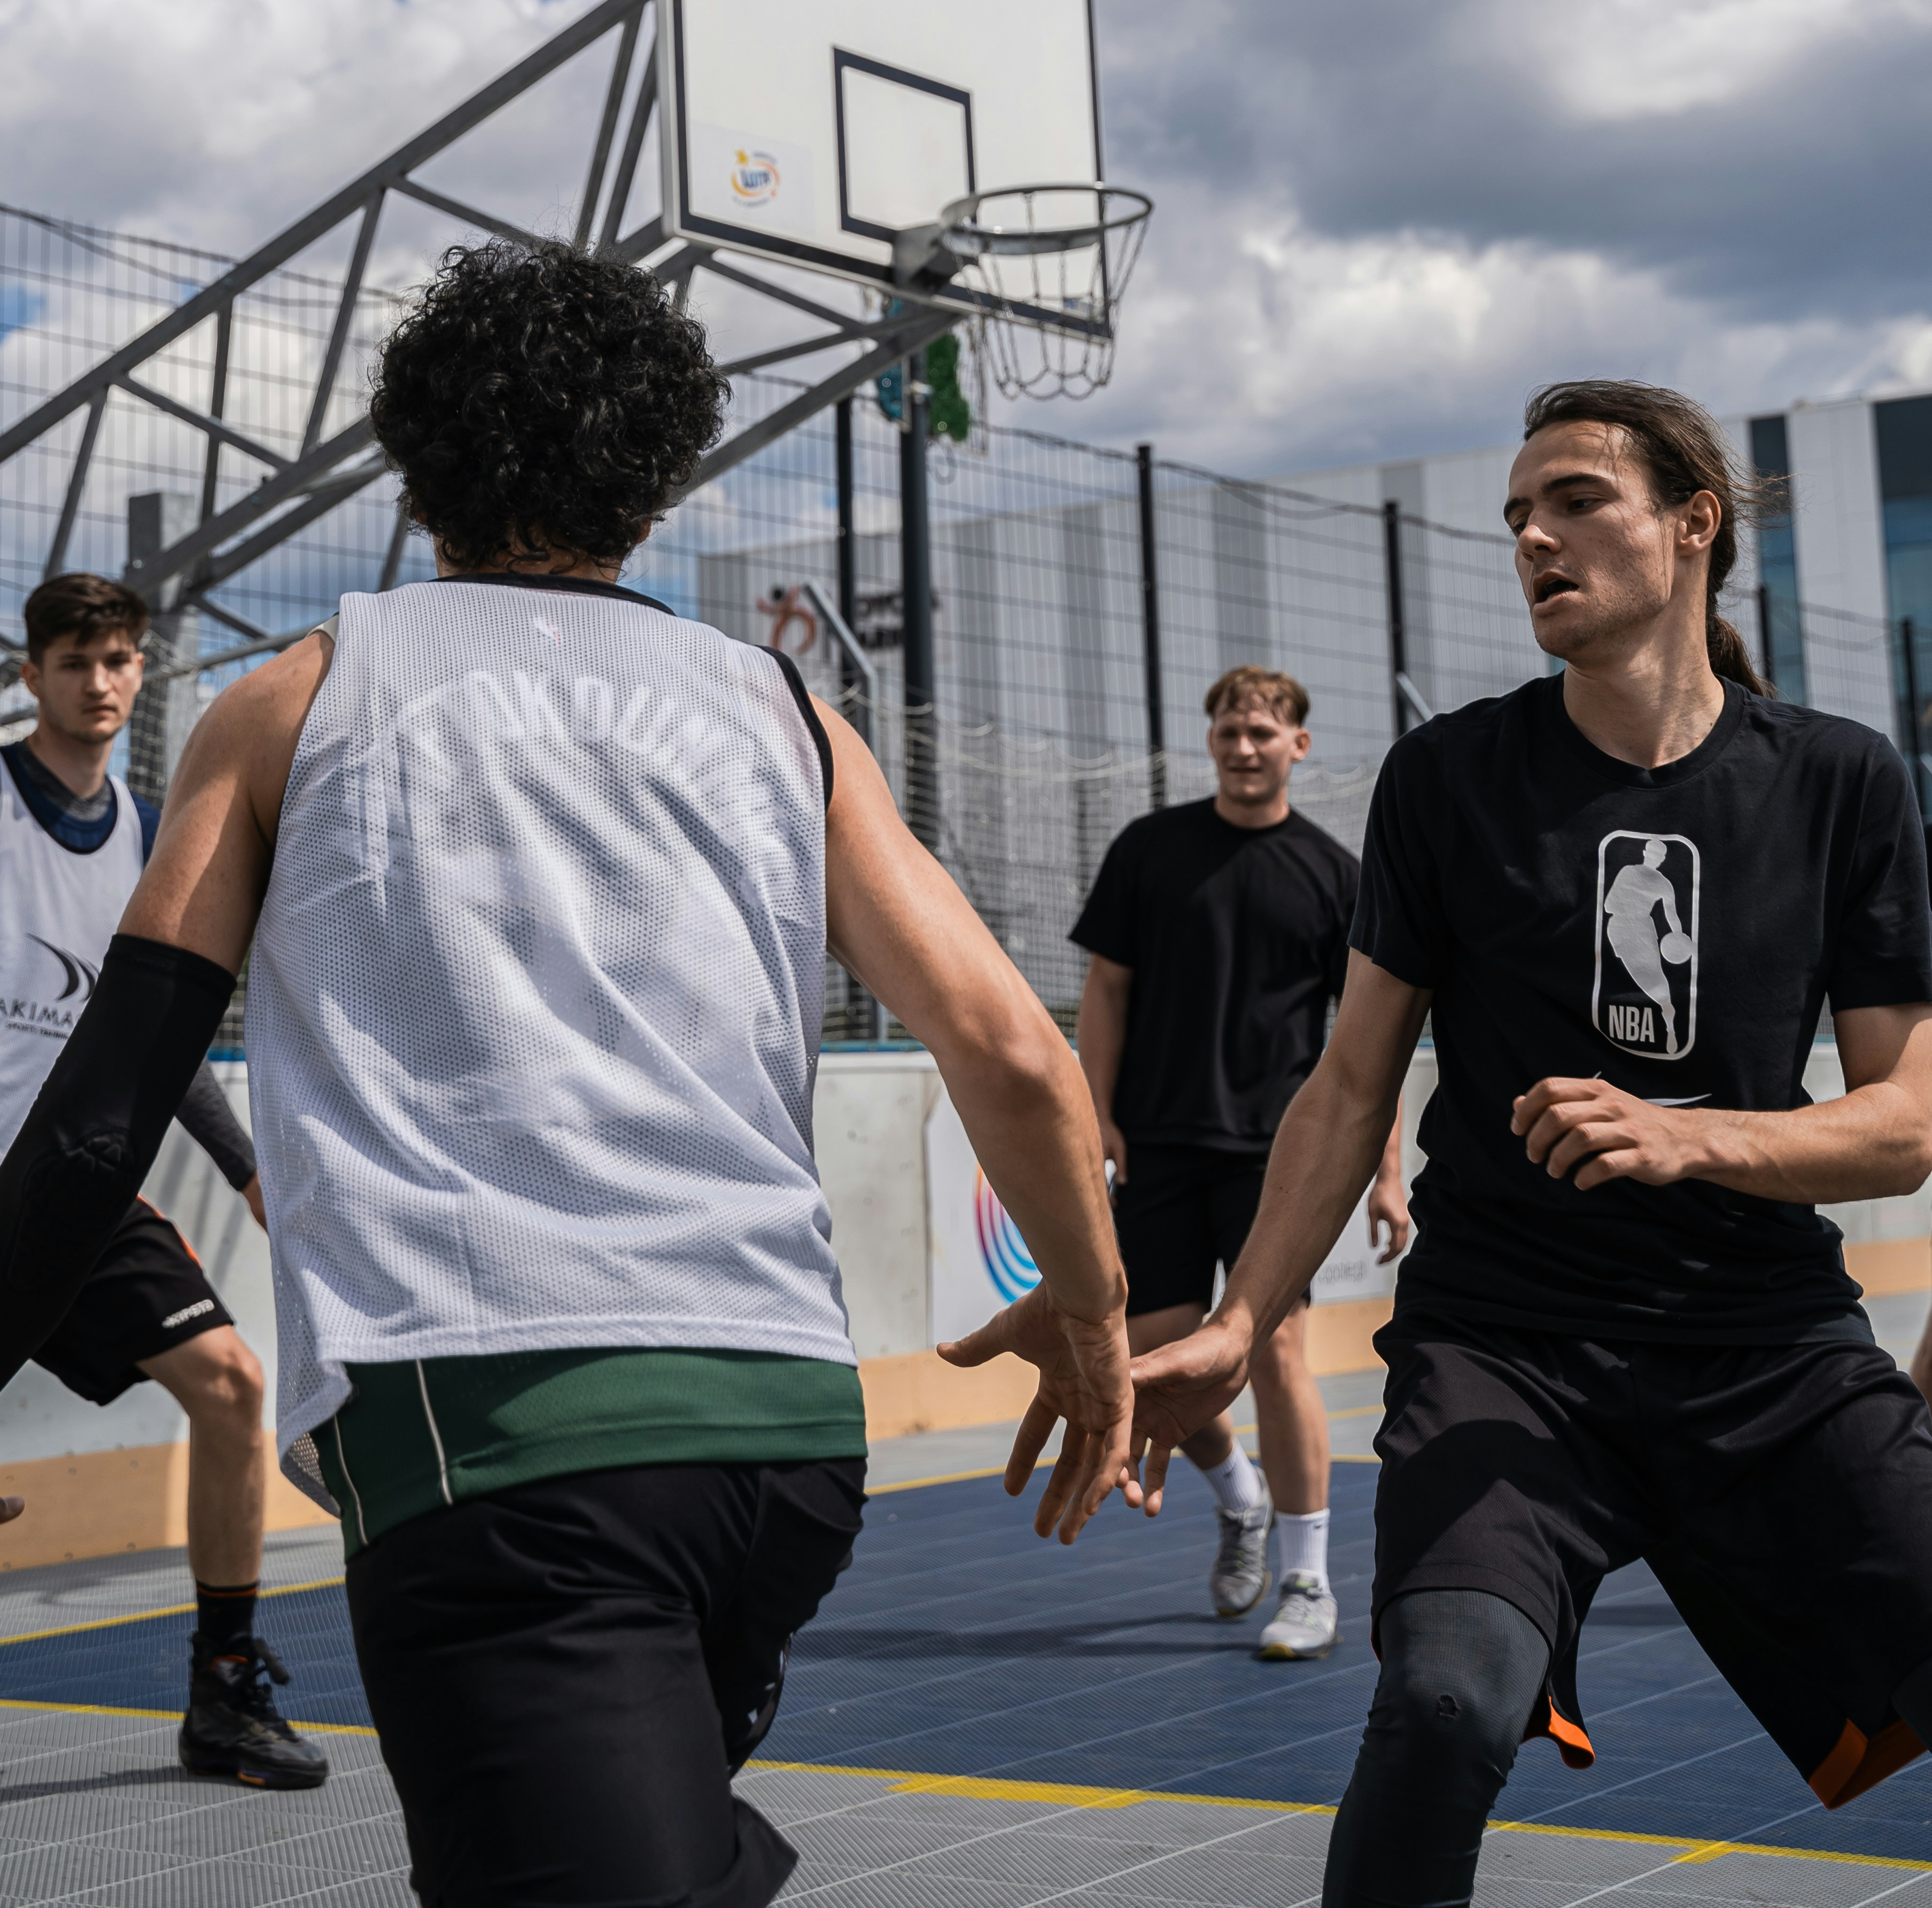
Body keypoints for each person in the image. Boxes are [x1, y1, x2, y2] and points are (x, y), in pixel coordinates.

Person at [0, 241, 1134, 1908]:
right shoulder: (780, 709)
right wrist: (1094, 1316)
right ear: (656, 481)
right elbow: (1017, 1056)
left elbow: (106, 1108)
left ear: (415, 468)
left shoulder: (294, 704)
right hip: (785, 1442)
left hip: (501, 1437)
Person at [1094, 378, 1932, 1908]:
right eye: (1516, 516)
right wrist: (1238, 1319)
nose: (1534, 536)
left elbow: (1905, 1126)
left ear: (1693, 524)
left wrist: (1693, 1145)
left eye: (1576, 501)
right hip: (1505, 1350)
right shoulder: (1449, 778)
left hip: (1763, 1348)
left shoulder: (1838, 780)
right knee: (1440, 1704)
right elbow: (1350, 1084)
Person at [3, 570, 322, 1790]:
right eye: (75, 661)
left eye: (120, 659)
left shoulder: (151, 830)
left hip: (72, 1185)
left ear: (143, 673)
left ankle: (224, 1692)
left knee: (233, 1386)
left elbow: (154, 1034)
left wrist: (246, 1168)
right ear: (31, 675)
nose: (100, 682)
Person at [1073, 665, 1408, 1657]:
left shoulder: (1335, 875)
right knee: (1153, 1364)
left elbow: (1370, 1043)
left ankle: (1307, 1580)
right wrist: (1096, 1116)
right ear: (1211, 740)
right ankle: (1240, 1494)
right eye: (1229, 729)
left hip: (1278, 1157)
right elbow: (1105, 992)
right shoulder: (1150, 850)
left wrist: (1386, 1171)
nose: (1244, 746)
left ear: (1298, 745)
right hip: (1160, 1145)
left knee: (1275, 1352)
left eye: (1263, 731)